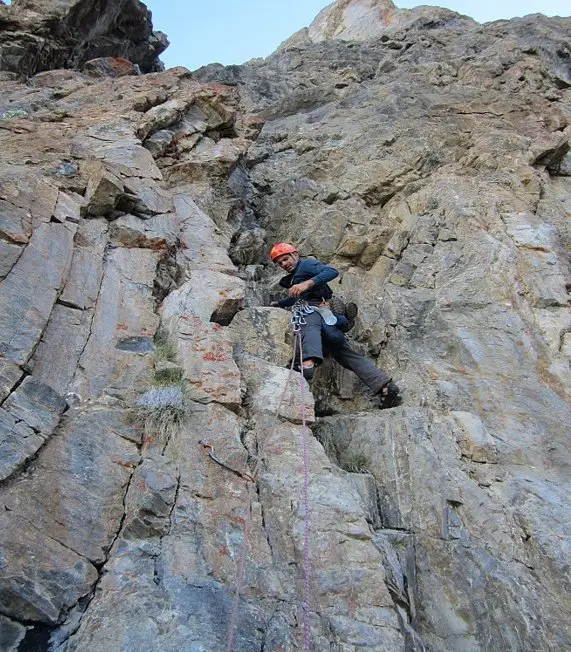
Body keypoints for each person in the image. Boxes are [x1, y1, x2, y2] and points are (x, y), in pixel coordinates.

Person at [268, 242, 401, 408]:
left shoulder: (306, 265)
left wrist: (306, 284)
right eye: (279, 263)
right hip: (322, 315)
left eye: (285, 259)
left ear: (295, 254)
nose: (283, 264)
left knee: (308, 324)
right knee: (345, 355)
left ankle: (307, 362)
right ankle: (385, 386)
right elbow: (297, 299)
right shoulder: (296, 276)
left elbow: (331, 271)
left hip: (316, 308)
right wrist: (279, 304)